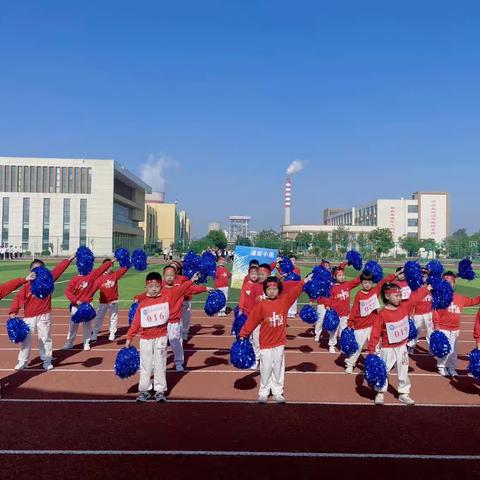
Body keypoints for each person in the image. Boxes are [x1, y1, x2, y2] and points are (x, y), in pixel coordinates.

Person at [126, 271, 199, 402]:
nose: (154, 289)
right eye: (151, 286)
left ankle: (160, 390)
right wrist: (129, 338)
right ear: (146, 287)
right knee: (146, 365)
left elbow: (181, 289)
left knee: (160, 364)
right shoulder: (143, 303)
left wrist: (192, 280)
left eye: (157, 286)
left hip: (160, 338)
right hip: (145, 339)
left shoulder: (167, 296)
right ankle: (144, 390)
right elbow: (136, 322)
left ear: (161, 286)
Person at [239, 274, 311, 404]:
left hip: (279, 342)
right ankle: (264, 391)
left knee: (278, 367)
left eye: (275, 289)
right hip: (265, 343)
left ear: (279, 290)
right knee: (265, 368)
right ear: (265, 290)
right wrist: (243, 334)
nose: (272, 291)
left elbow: (294, 292)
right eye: (269, 289)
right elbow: (252, 321)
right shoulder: (261, 305)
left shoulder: (284, 301)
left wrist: (303, 282)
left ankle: (278, 391)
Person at [368, 282, 431, 406]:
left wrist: (428, 288)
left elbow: (415, 299)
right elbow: (375, 333)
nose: (399, 298)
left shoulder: (404, 307)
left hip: (402, 347)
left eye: (400, 295)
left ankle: (404, 393)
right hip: (387, 349)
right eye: (396, 296)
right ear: (387, 296)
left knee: (403, 370)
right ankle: (380, 392)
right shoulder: (382, 313)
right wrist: (371, 351)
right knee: (384, 371)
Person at [9, 255, 75, 370]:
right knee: (26, 339)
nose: (37, 272)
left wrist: (70, 258)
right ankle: (23, 361)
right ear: (30, 271)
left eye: (40, 269)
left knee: (45, 338)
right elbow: (18, 298)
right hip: (29, 317)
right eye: (34, 269)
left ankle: (47, 360)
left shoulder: (48, 280)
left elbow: (59, 269)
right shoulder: (26, 285)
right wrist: (13, 311)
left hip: (44, 314)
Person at [344, 269, 397, 373]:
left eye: (369, 283)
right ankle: (350, 363)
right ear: (361, 283)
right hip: (360, 326)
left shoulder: (375, 290)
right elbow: (355, 309)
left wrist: (394, 275)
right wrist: (350, 322)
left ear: (372, 283)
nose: (367, 285)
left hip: (373, 325)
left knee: (376, 347)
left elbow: (383, 282)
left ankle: (377, 365)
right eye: (365, 282)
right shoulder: (359, 294)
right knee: (357, 347)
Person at [161, 265, 212, 371]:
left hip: (174, 322)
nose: (169, 277)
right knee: (160, 345)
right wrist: (138, 298)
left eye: (172, 275)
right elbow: (148, 293)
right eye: (167, 275)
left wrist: (205, 288)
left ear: (175, 276)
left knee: (176, 344)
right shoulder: (159, 287)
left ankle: (178, 362)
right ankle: (157, 363)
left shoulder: (179, 288)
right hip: (161, 322)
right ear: (163, 276)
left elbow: (192, 288)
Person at [432, 271, 480, 377]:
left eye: (451, 283)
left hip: (455, 329)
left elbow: (473, 301)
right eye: (446, 283)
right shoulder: (439, 297)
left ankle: (452, 368)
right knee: (444, 349)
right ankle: (442, 366)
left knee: (454, 350)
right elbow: (435, 312)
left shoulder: (460, 297)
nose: (448, 285)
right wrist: (436, 326)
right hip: (443, 327)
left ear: (454, 284)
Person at [63, 257, 115, 351]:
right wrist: (75, 300)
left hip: (88, 305)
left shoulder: (91, 276)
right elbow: (67, 291)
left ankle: (86, 343)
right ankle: (69, 342)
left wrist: (111, 262)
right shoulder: (74, 279)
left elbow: (101, 269)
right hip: (76, 306)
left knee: (87, 325)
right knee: (73, 324)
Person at [322, 265, 361, 353]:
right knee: (334, 331)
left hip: (346, 313)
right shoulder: (331, 287)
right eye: (339, 275)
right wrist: (327, 305)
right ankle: (331, 345)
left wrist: (363, 274)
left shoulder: (347, 284)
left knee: (344, 331)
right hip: (335, 314)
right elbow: (327, 298)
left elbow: (356, 281)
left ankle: (343, 346)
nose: (342, 277)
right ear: (334, 277)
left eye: (343, 275)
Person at [91, 260, 130, 342]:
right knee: (99, 317)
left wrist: (129, 261)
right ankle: (95, 333)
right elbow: (92, 290)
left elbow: (124, 269)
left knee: (113, 317)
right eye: (108, 266)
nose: (110, 268)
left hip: (113, 301)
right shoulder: (99, 278)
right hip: (103, 301)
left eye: (111, 266)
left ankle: (112, 332)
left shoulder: (115, 275)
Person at [408, 267, 433, 352]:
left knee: (430, 332)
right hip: (417, 314)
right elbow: (412, 301)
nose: (423, 276)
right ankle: (411, 347)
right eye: (422, 274)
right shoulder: (415, 287)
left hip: (429, 313)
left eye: (425, 274)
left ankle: (431, 349)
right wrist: (410, 314)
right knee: (416, 331)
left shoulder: (431, 286)